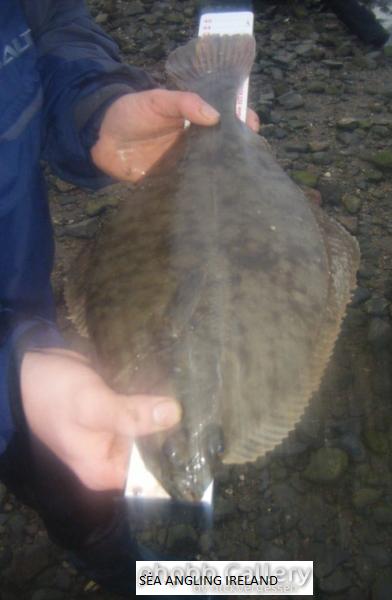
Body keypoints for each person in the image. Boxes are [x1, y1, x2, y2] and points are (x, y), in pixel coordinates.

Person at [0, 1, 259, 596]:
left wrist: (99, 110)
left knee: (76, 480)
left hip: (25, 294)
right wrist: (7, 385)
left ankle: (119, 564)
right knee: (63, 461)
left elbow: (50, 28)